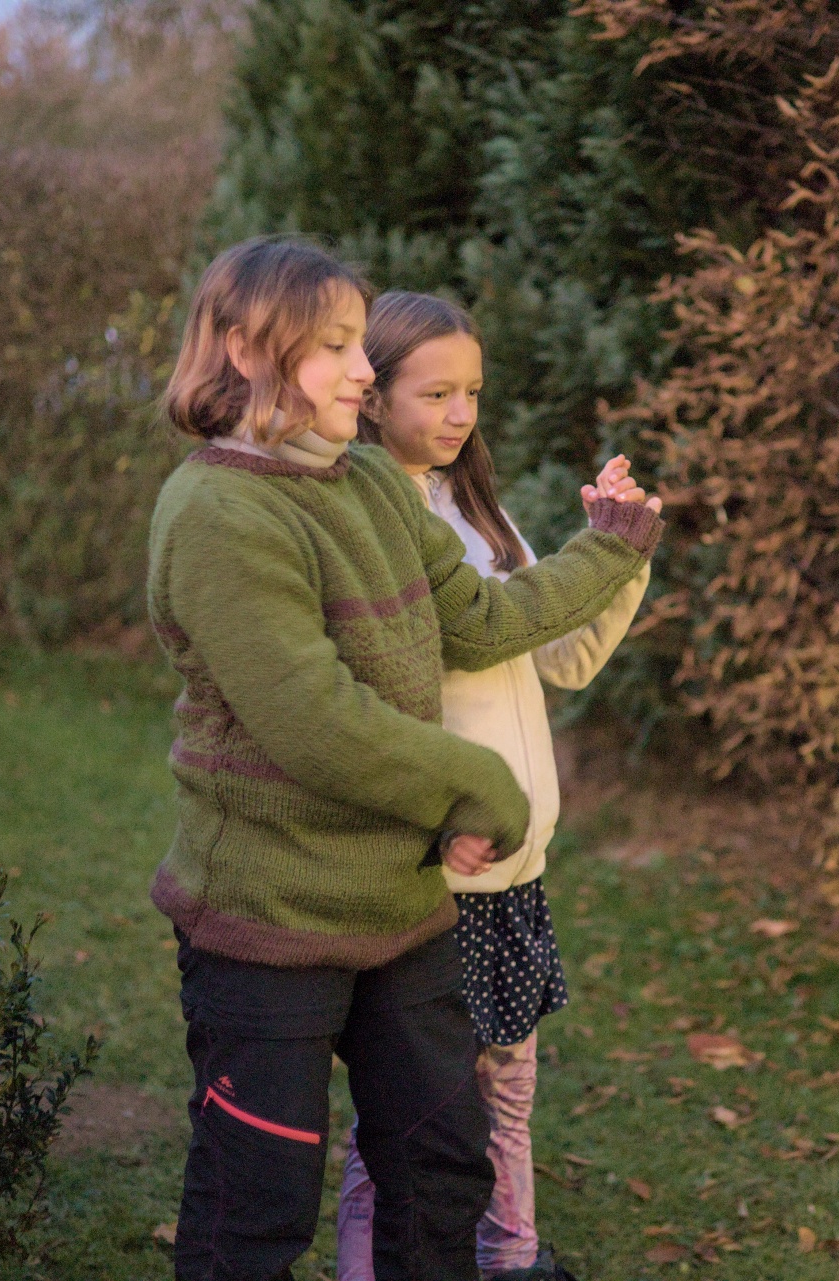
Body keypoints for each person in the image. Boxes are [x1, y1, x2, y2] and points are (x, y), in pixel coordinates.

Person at [147, 238, 663, 1281]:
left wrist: (610, 550)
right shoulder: (216, 511)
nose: (363, 369)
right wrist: (481, 788)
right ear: (246, 351)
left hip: (403, 908)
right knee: (257, 1210)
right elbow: (317, 720)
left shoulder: (375, 486)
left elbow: (486, 620)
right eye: (336, 346)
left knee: (440, 1170)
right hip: (271, 922)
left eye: (359, 344)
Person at [333, 291, 654, 1281]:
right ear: (372, 396)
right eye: (436, 393)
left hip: (515, 871)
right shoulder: (367, 519)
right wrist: (592, 559)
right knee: (405, 1120)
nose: (461, 413)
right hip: (435, 875)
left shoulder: (476, 510)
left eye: (472, 391)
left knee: (508, 1093)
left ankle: (510, 1258)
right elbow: (447, 655)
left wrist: (621, 555)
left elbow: (563, 656)